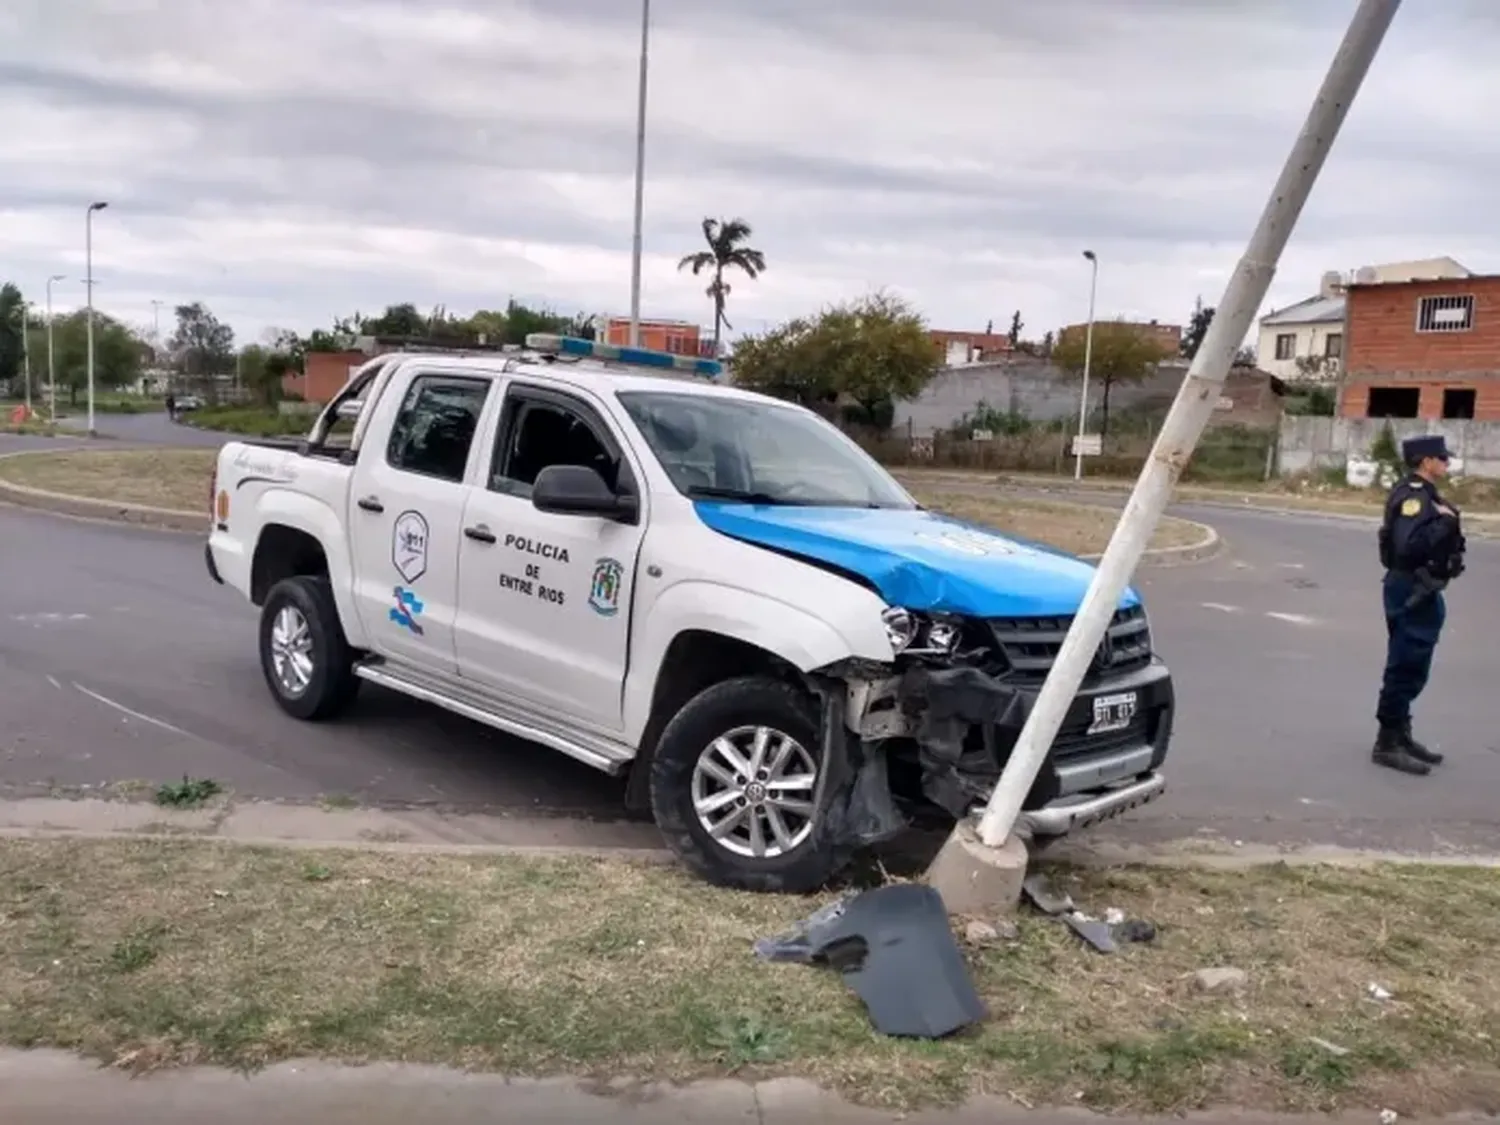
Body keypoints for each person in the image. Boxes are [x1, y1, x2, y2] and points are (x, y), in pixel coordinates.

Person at [1373, 434, 1466, 776]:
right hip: (1411, 587)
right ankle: (1387, 742)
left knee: (1414, 662)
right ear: (1426, 461)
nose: (1446, 463)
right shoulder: (1413, 495)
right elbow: (1408, 546)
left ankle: (1401, 733)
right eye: (1441, 458)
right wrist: (1444, 522)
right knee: (1406, 662)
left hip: (1421, 588)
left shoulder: (1425, 493)